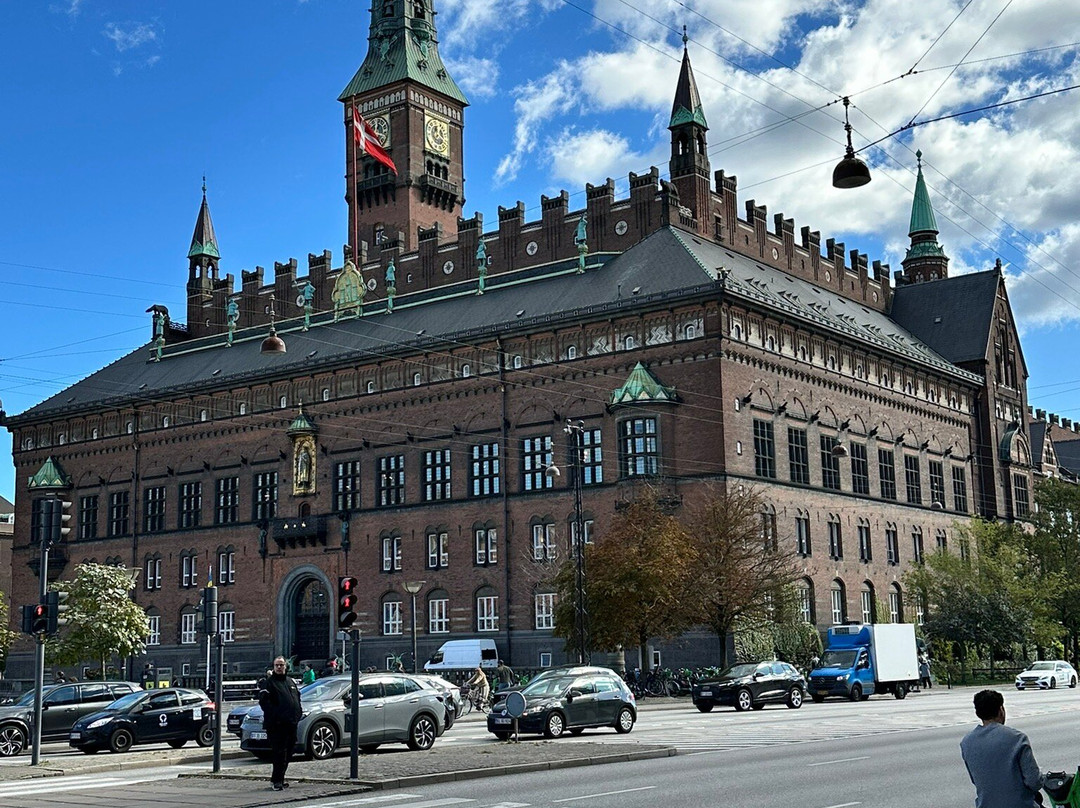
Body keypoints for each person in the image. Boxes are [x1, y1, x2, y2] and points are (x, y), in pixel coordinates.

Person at [960, 689, 1045, 808]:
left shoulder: (966, 742)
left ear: (978, 713)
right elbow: (1034, 782)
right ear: (1001, 710)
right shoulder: (1017, 739)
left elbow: (976, 780)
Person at [257, 656, 302, 792]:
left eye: (281, 665)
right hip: (276, 725)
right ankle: (276, 780)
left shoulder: (290, 682)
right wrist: (277, 716)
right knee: (279, 753)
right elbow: (264, 702)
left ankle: (280, 778)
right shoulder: (269, 683)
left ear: (285, 667)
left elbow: (297, 698)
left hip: (291, 723)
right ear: (273, 667)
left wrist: (298, 712)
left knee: (289, 751)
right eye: (277, 665)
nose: (279, 667)